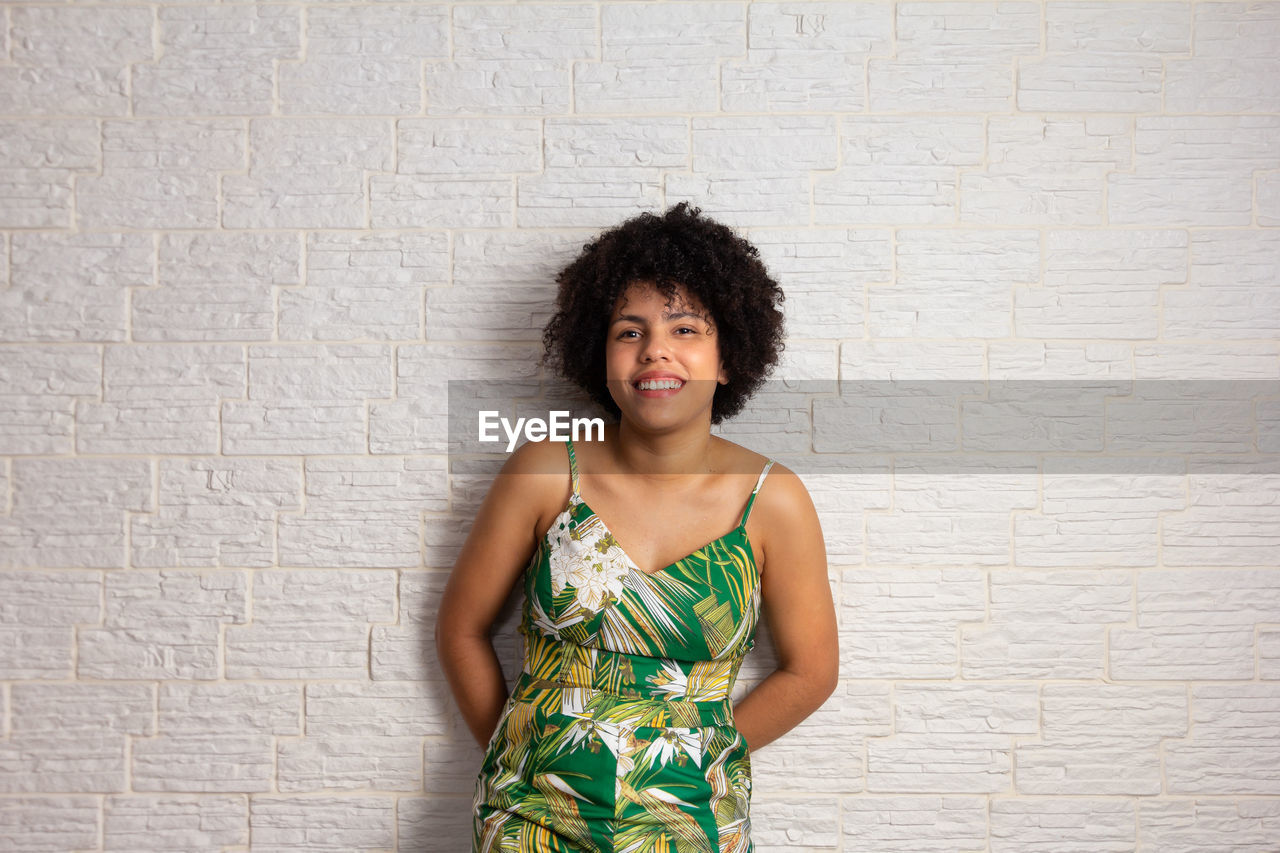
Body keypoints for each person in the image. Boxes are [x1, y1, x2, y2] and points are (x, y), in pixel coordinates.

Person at [436, 203, 839, 852]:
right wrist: (516, 757)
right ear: (600, 354)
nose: (656, 348)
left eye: (685, 329)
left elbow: (811, 671)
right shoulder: (542, 473)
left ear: (729, 356)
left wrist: (697, 750)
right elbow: (460, 629)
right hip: (531, 821)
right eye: (630, 330)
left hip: (692, 820)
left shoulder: (774, 500)